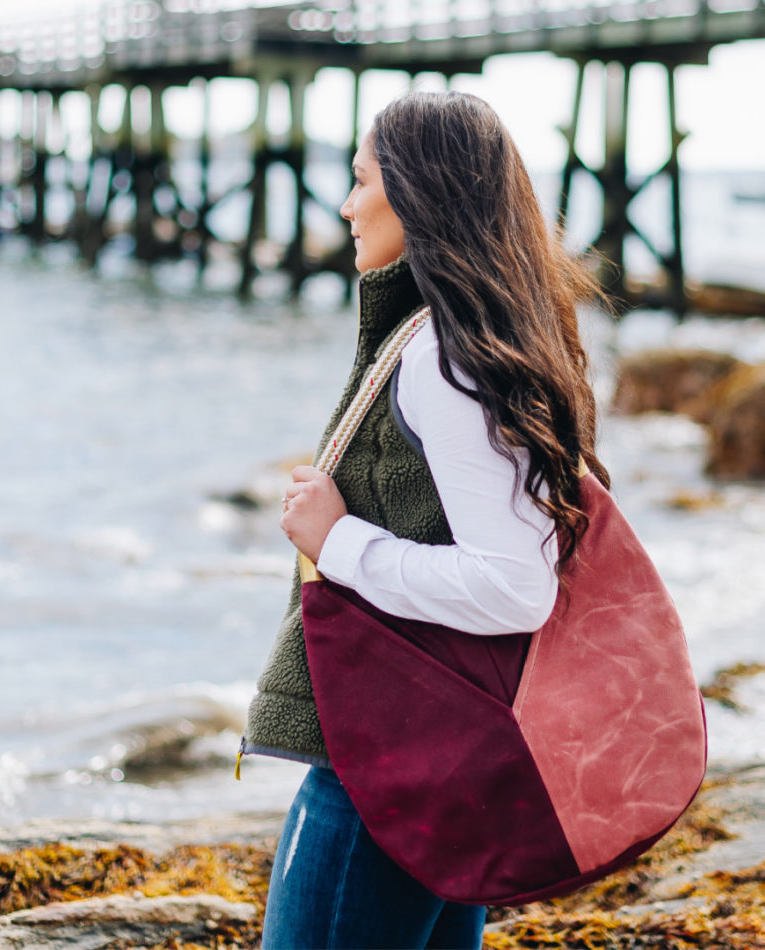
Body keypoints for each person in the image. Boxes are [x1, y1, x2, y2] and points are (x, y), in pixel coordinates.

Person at [239, 90, 609, 950]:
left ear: (415, 193)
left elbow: (516, 586)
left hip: (383, 769)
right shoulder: (473, 341)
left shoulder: (441, 358)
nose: (343, 204)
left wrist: (339, 541)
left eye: (360, 180)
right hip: (443, 757)